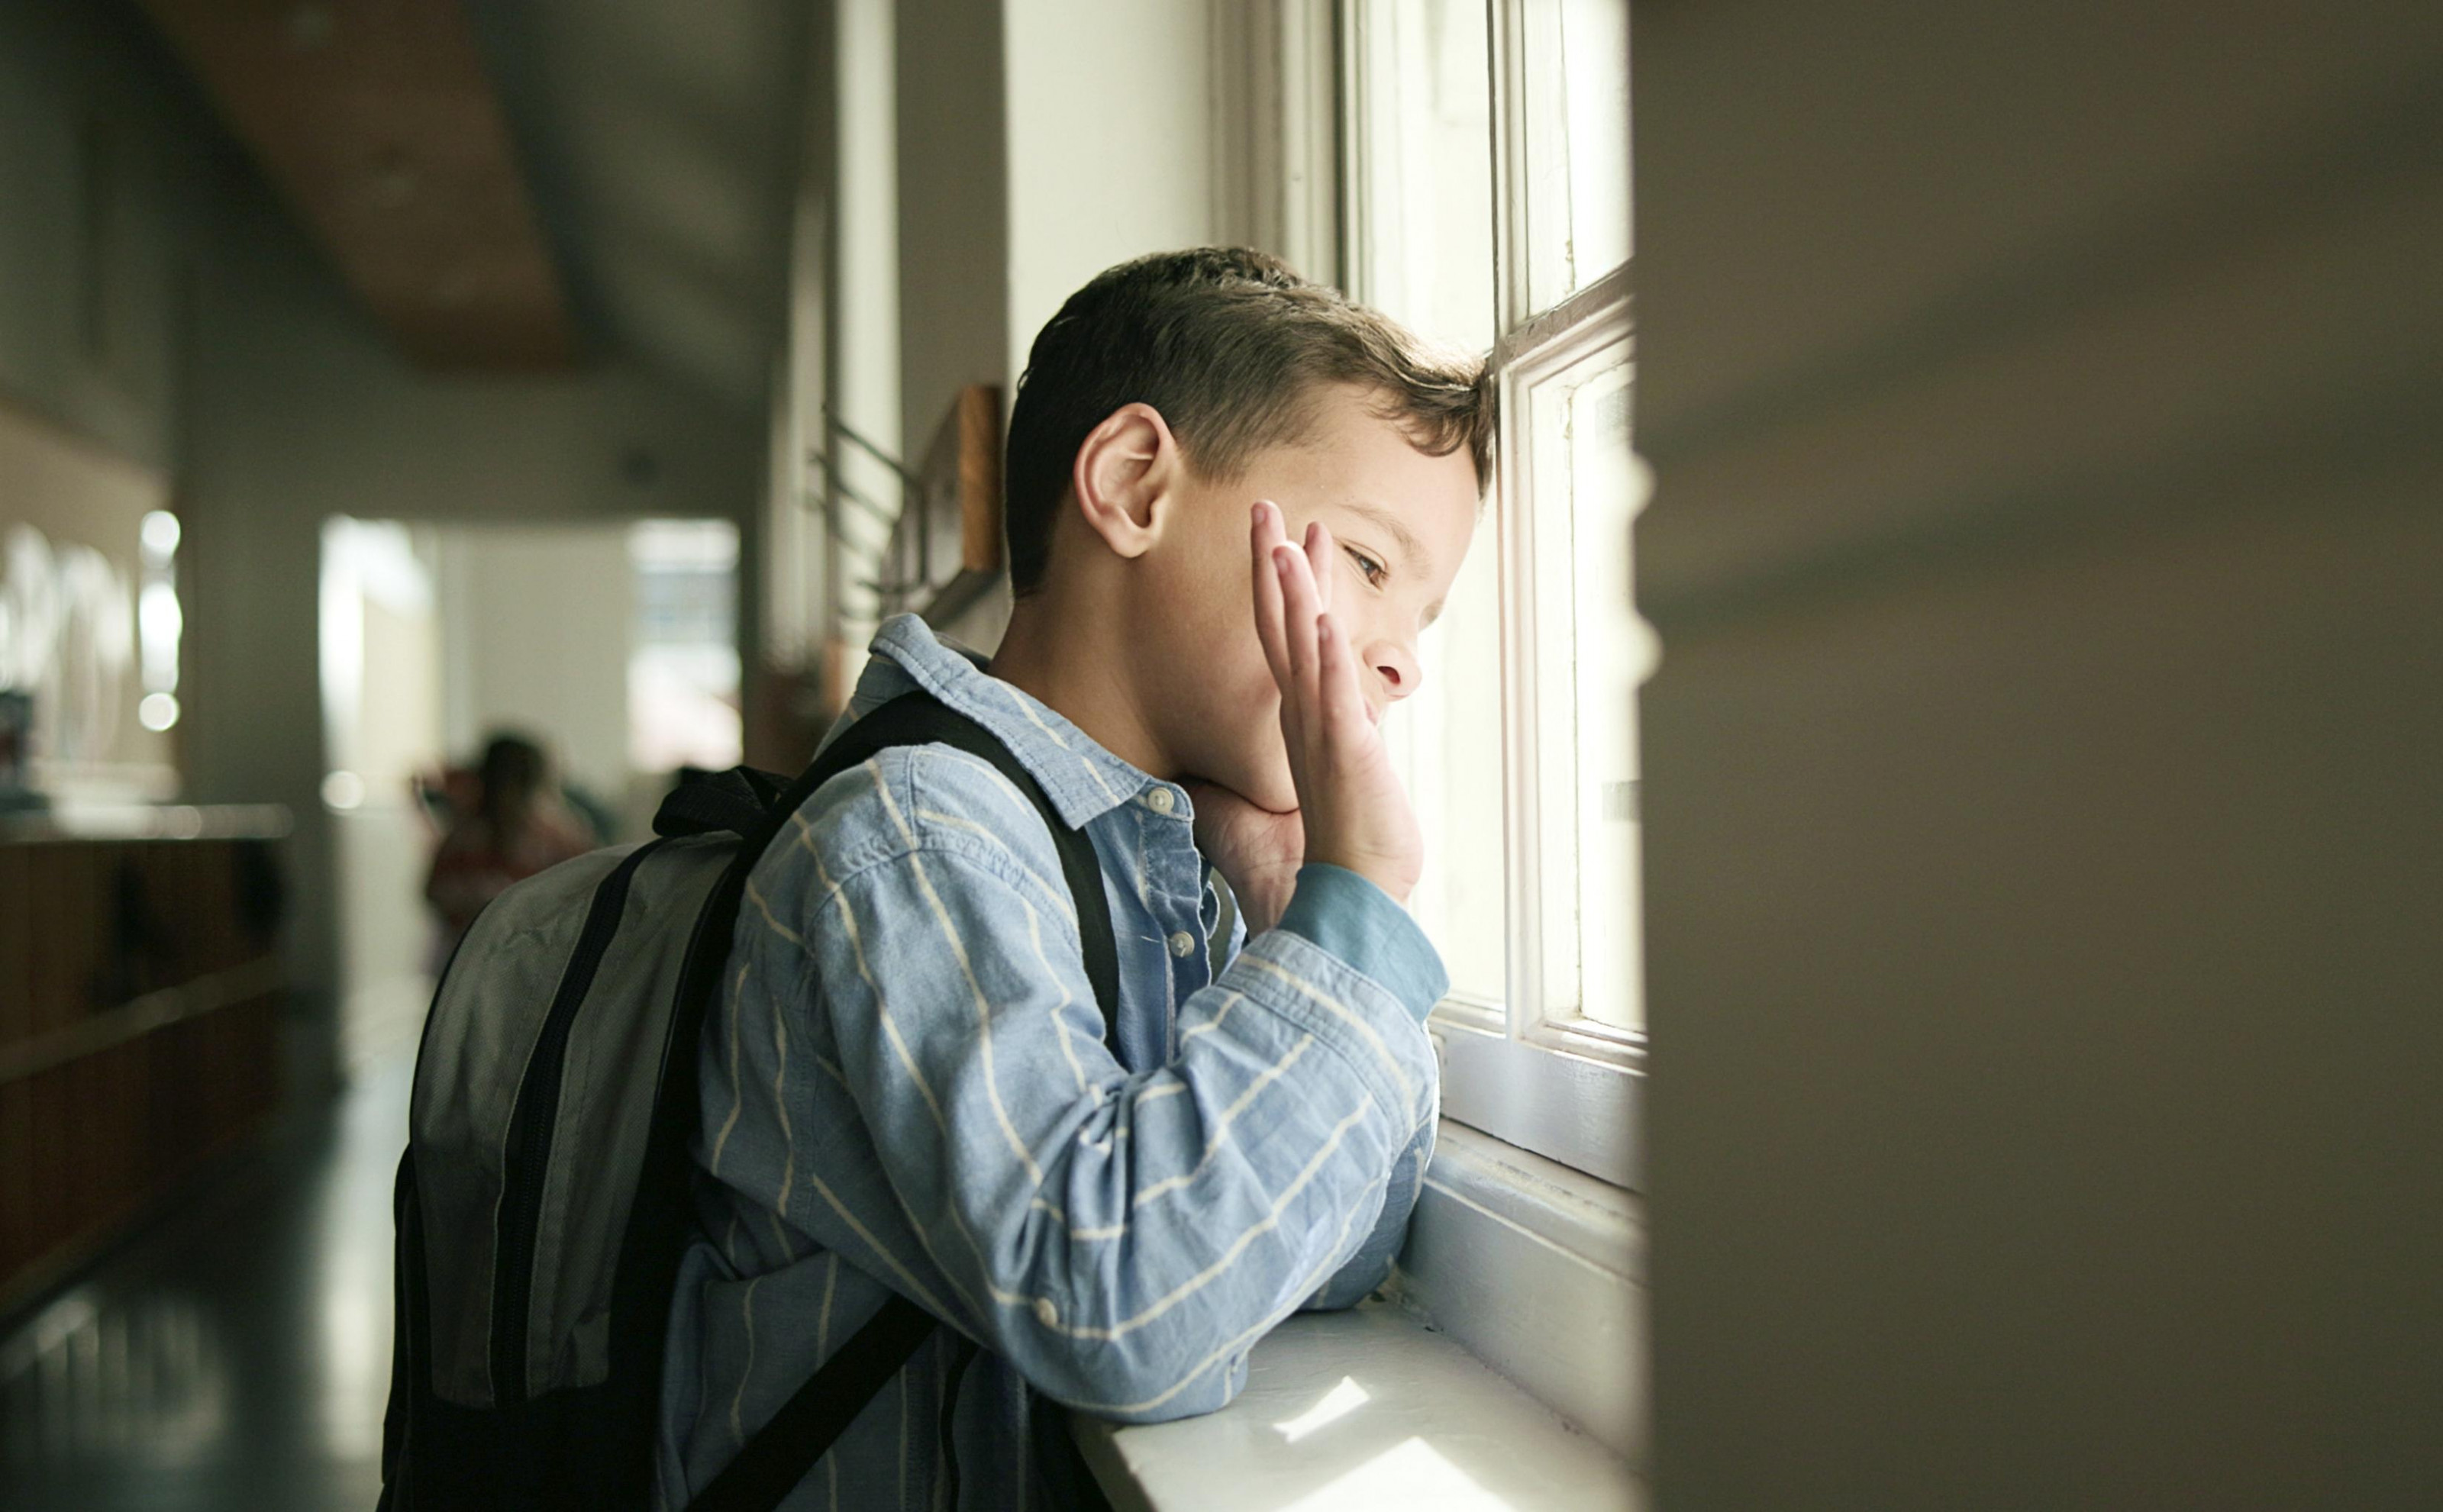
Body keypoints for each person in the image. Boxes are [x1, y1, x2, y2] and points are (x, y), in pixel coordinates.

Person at [656, 247, 1491, 1509]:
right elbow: (1128, 1310)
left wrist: (1287, 907)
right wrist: (1360, 894)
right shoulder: (920, 840)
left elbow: (1322, 1255)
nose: (1401, 665)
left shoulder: (1150, 859)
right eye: (1373, 567)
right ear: (1133, 485)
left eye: (1422, 621)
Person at [422, 733, 594, 953]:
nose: (507, 795)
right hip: (470, 952)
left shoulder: (558, 839)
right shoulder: (466, 837)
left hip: (536, 955)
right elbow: (434, 893)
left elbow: (584, 900)